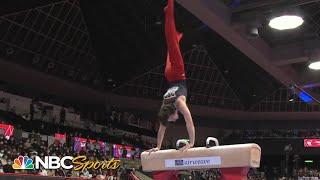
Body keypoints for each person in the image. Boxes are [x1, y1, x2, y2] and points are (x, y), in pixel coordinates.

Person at [148, 0, 195, 153]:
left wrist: (192, 143)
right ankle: (177, 37)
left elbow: (189, 123)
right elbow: (162, 130)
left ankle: (170, 6)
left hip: (176, 72)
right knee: (171, 45)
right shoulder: (165, 105)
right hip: (169, 75)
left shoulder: (179, 103)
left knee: (170, 39)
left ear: (172, 112)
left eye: (173, 119)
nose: (175, 119)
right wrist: (158, 147)